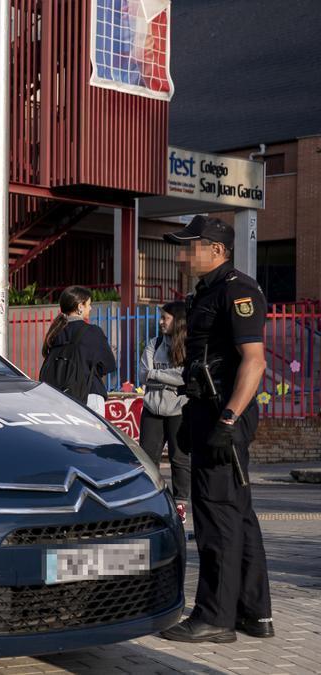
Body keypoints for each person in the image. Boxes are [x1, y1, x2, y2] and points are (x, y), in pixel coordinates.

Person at [159, 215, 273, 643]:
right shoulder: (208, 291)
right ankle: (254, 612)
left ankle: (215, 618)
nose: (183, 254)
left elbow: (254, 360)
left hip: (225, 413)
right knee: (237, 513)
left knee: (216, 517)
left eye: (191, 246)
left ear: (217, 249)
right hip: (207, 410)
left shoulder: (237, 289)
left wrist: (227, 419)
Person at [139, 301, 190, 522]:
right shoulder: (154, 343)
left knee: (179, 458)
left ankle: (180, 503)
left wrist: (156, 375)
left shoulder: (188, 346)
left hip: (179, 409)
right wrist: (168, 378)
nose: (160, 322)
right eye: (161, 318)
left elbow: (183, 376)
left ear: (176, 321)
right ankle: (152, 500)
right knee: (148, 458)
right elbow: (143, 373)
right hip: (152, 408)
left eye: (165, 318)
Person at [39, 286, 116, 415]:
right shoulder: (92, 332)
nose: (90, 308)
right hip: (88, 394)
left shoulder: (55, 331)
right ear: (80, 306)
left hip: (58, 397)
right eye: (89, 304)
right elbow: (109, 365)